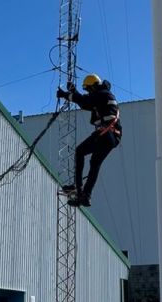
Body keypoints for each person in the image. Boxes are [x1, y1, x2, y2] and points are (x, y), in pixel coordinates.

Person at [57, 73, 122, 207]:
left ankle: (79, 189)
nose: (87, 92)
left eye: (88, 89)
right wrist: (74, 92)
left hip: (105, 133)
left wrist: (65, 95)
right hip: (111, 136)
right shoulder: (103, 95)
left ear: (93, 87)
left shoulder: (102, 94)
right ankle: (85, 195)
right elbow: (86, 102)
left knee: (80, 151)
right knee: (94, 163)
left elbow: (85, 102)